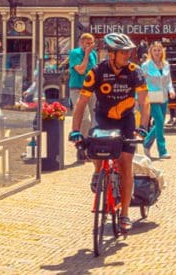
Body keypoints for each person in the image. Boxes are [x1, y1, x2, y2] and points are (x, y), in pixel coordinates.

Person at [69, 32, 151, 234]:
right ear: (111, 54)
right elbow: (81, 103)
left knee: (125, 165)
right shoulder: (96, 72)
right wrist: (75, 131)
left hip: (126, 121)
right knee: (93, 147)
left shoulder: (135, 71)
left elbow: (144, 100)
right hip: (104, 118)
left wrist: (143, 127)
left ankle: (124, 214)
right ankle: (98, 171)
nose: (128, 55)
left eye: (129, 51)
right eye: (123, 52)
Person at [140, 41, 175, 160]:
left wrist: (171, 90)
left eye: (159, 50)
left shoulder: (166, 64)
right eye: (154, 50)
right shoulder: (145, 65)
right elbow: (141, 82)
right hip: (152, 95)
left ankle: (146, 143)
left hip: (164, 95)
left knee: (159, 123)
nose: (157, 52)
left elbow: (168, 80)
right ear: (150, 51)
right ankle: (162, 151)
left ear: (162, 51)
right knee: (159, 121)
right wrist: (140, 96)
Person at [68, 33, 99, 147]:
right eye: (87, 43)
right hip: (78, 89)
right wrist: (86, 54)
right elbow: (80, 70)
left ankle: (89, 145)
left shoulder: (94, 54)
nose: (89, 46)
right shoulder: (74, 53)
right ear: (81, 43)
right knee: (85, 119)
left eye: (91, 43)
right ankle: (81, 145)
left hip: (91, 90)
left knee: (95, 119)